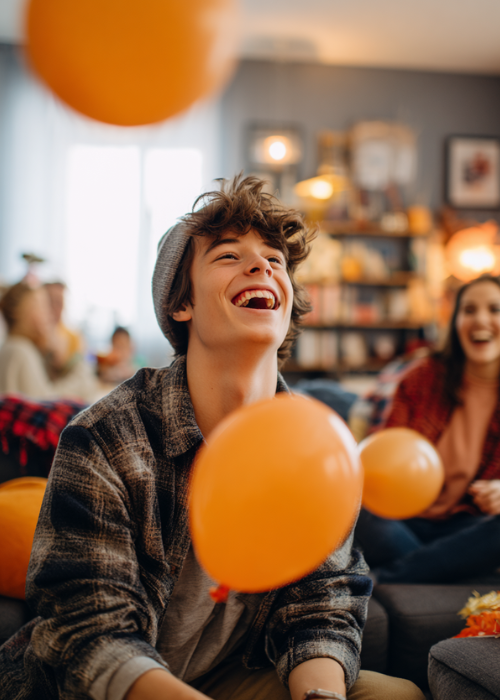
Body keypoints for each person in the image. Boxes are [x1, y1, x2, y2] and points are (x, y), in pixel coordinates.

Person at [0, 176, 423, 700]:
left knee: (393, 695)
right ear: (182, 304)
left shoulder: (316, 447)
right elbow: (89, 631)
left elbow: (322, 604)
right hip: (103, 686)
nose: (262, 265)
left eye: (274, 258)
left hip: (228, 675)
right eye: (228, 256)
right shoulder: (105, 436)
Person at [355, 274, 500, 584]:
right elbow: (384, 451)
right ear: (456, 320)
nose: (481, 320)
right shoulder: (422, 376)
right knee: (353, 506)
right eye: (469, 310)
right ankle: (444, 564)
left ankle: (392, 574)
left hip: (467, 524)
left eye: (494, 309)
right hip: (402, 520)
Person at [0, 282, 98, 403]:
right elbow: (46, 405)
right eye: (42, 305)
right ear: (20, 312)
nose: (49, 314)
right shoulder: (20, 350)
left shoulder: (16, 346)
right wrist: (80, 368)